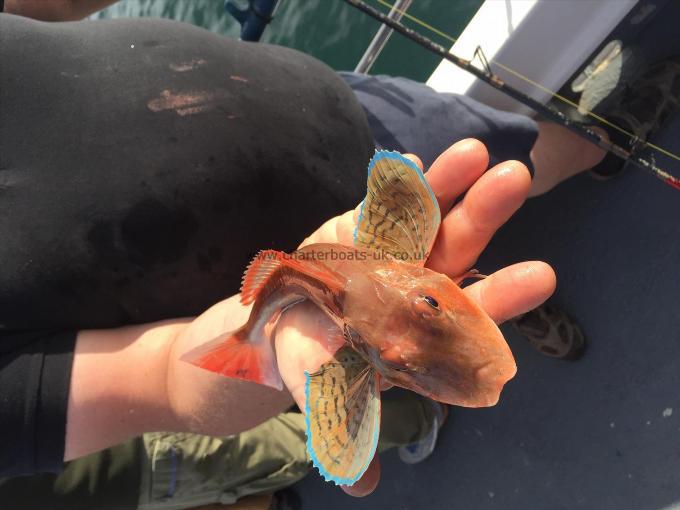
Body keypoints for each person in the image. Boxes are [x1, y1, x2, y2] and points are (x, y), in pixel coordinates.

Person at [1, 2, 675, 509]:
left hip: (339, 114)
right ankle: (483, 303)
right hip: (229, 289)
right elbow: (168, 381)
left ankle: (596, 150)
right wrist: (267, 352)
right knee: (459, 238)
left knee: (505, 160)